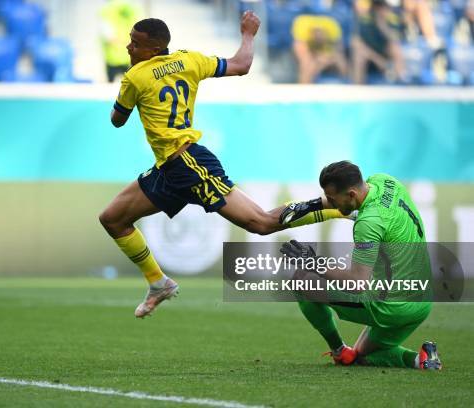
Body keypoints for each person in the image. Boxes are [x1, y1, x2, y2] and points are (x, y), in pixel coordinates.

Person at [99, 11, 351, 319]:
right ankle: (158, 283)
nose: (128, 48)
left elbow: (117, 120)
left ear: (153, 49)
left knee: (261, 223)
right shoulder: (190, 60)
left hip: (189, 164)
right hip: (170, 168)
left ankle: (335, 206)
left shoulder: (135, 77)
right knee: (113, 219)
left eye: (135, 44)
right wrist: (248, 34)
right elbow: (241, 65)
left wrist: (133, 84)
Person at [281, 161, 441, 370]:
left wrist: (314, 263)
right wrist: (312, 205)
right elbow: (369, 214)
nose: (329, 202)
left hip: (392, 307)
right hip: (422, 301)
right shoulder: (385, 182)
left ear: (352, 194)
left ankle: (338, 350)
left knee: (302, 280)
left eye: (331, 199)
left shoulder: (368, 224)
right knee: (362, 357)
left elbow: (357, 283)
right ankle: (422, 360)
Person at [352, 0, 407, 84]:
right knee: (359, 53)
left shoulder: (393, 21)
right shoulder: (365, 22)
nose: (379, 10)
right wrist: (379, 61)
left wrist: (382, 25)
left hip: (386, 58)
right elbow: (357, 43)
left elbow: (394, 40)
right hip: (372, 59)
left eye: (382, 7)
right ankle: (358, 86)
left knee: (394, 48)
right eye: (377, 7)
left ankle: (401, 80)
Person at [291, 14, 349, 84]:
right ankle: (304, 89)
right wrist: (318, 63)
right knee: (307, 63)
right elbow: (304, 55)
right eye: (316, 32)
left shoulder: (332, 32)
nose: (319, 36)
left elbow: (339, 53)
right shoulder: (302, 36)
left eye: (321, 33)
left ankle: (348, 86)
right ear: (311, 33)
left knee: (340, 60)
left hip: (326, 52)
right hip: (309, 54)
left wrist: (327, 57)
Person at [99, 0, 142, 82]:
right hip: (130, 56)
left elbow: (107, 34)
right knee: (131, 85)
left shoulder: (107, 9)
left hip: (112, 56)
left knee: (111, 88)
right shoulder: (132, 7)